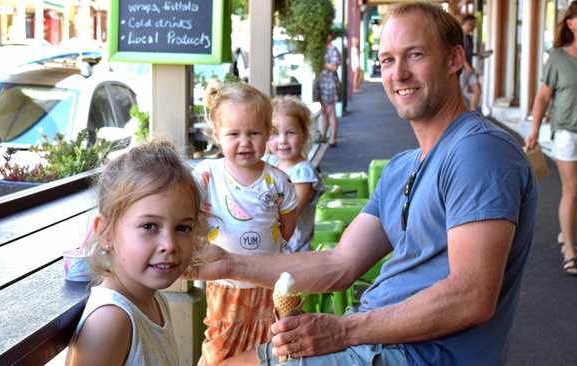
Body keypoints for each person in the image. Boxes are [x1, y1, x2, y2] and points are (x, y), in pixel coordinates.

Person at [189, 3, 538, 365]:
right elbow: (339, 264)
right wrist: (229, 265)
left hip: (415, 354)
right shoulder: (403, 167)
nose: (398, 73)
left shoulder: (478, 151)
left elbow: (472, 296)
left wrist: (343, 330)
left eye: (414, 55)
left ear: (454, 60)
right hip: (374, 339)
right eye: (387, 60)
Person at [66, 140, 207, 366]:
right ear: (105, 232)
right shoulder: (110, 321)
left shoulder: (154, 300)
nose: (169, 244)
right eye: (149, 226)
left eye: (183, 228)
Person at [194, 82, 299, 365]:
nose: (245, 142)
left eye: (254, 133)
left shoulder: (277, 180)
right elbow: (184, 211)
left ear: (267, 134)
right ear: (217, 135)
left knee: (270, 343)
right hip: (225, 283)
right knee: (222, 341)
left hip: (268, 280)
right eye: (233, 134)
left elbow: (289, 220)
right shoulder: (207, 176)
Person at [525, 0, 577, 276]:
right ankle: (570, 250)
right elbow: (543, 97)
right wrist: (534, 129)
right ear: (571, 23)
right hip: (567, 134)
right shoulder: (558, 57)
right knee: (572, 191)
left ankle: (567, 232)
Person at [265, 95, 324, 253]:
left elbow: (291, 212)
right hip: (269, 245)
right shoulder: (267, 162)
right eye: (275, 133)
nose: (282, 140)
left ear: (304, 134)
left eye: (290, 133)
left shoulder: (302, 173)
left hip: (293, 250)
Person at [316, 33, 342, 147]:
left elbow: (334, 67)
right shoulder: (320, 49)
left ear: (329, 36)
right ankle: (323, 135)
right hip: (321, 83)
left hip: (330, 83)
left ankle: (332, 138)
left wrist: (322, 64)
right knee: (324, 111)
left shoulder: (333, 50)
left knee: (331, 111)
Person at [460, 14, 482, 111]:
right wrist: (466, 66)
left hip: (469, 68)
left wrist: (478, 54)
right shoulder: (459, 37)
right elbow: (459, 52)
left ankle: (472, 113)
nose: (472, 27)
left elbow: (468, 52)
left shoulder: (469, 37)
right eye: (469, 24)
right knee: (458, 93)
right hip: (461, 68)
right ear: (463, 24)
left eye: (473, 25)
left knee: (477, 90)